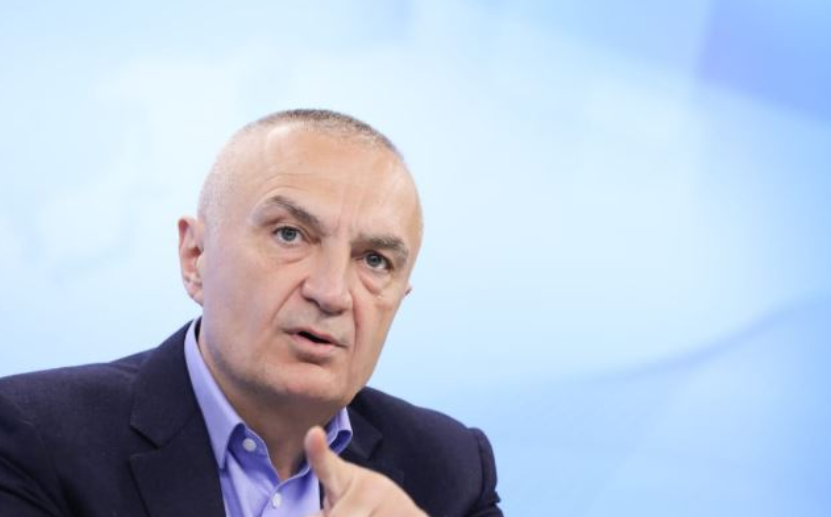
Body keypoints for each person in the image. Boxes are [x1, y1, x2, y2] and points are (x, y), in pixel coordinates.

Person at [0, 109, 503, 517]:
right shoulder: (31, 436)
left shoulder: (451, 469)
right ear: (195, 257)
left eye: (375, 260)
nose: (332, 294)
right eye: (290, 234)